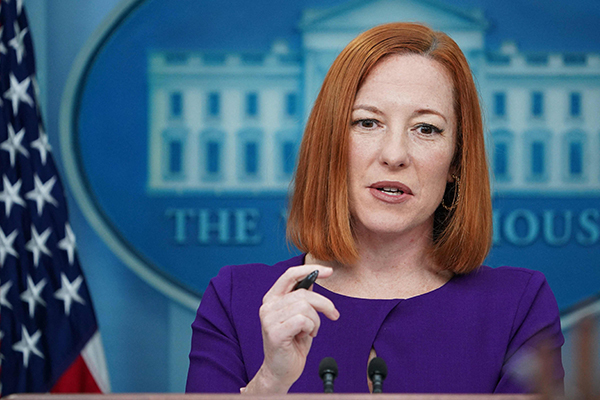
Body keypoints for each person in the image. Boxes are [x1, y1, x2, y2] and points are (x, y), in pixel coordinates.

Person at [186, 22, 565, 394]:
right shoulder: (236, 299)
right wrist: (270, 383)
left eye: (426, 129)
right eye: (368, 122)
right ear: (330, 143)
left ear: (456, 163)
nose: (395, 155)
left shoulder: (518, 306)